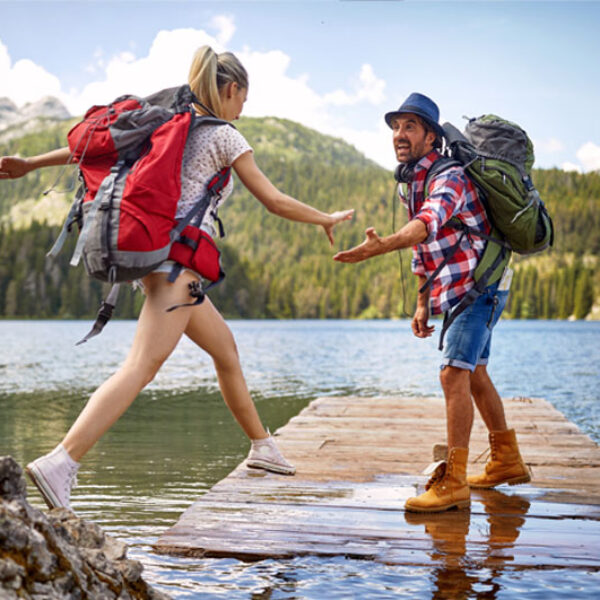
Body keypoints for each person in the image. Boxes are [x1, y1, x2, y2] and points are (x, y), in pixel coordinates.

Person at [0, 46, 354, 511]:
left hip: (162, 264)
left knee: (225, 350)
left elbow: (90, 149)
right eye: (242, 99)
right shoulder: (226, 136)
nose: (243, 109)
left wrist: (29, 164)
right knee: (141, 367)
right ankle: (61, 461)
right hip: (177, 268)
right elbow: (273, 200)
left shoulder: (166, 122)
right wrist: (323, 217)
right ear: (230, 90)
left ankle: (262, 447)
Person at [334, 92, 530, 513]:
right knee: (474, 372)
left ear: (431, 136)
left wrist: (381, 245)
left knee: (452, 374)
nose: (399, 135)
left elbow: (428, 224)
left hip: (482, 284)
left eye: (409, 127)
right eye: (395, 127)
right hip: (464, 287)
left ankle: (454, 481)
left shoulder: (450, 176)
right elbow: (423, 250)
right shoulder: (411, 182)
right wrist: (423, 302)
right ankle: (506, 460)